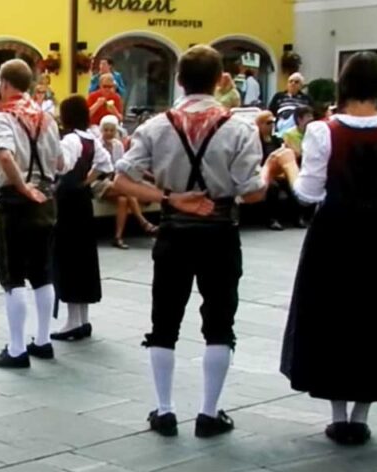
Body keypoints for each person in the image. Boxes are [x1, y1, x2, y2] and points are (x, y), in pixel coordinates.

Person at [112, 45, 268, 438]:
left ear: (179, 80)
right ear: (219, 81)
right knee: (219, 323)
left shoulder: (155, 126)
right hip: (220, 232)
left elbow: (121, 180)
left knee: (164, 322)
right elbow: (252, 194)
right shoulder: (239, 128)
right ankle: (208, 412)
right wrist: (269, 173)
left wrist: (169, 197)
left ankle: (164, 410)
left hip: (173, 231)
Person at [278, 52, 377, 446]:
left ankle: (338, 415)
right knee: (376, 317)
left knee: (332, 316)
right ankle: (361, 416)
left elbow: (308, 193)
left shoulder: (323, 131)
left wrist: (288, 164)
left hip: (335, 231)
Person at [0, 58, 63, 369]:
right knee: (43, 272)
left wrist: (22, 185)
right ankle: (43, 341)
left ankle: (17, 349)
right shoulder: (48, 117)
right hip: (47, 198)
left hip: (16, 200)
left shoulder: (3, 118)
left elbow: (4, 155)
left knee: (13, 275)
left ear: (4, 84)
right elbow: (59, 162)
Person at [49, 96, 112, 342]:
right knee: (83, 255)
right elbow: (105, 163)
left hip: (68, 202)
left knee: (68, 256)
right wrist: (88, 179)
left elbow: (61, 166)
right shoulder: (91, 138)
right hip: (83, 202)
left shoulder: (71, 139)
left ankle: (73, 321)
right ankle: (83, 319)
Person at [93, 115, 157, 249]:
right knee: (126, 190)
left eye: (112, 130)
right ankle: (143, 222)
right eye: (106, 130)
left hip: (114, 180)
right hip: (98, 182)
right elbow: (96, 169)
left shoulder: (118, 145)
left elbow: (120, 166)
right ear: (101, 130)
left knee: (123, 199)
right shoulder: (96, 145)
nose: (109, 133)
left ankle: (118, 237)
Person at [256, 111, 295, 231]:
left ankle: (297, 217)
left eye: (273, 123)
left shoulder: (276, 139)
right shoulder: (255, 140)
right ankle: (272, 219)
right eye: (268, 123)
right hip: (262, 171)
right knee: (273, 187)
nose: (271, 125)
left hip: (277, 171)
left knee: (291, 184)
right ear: (259, 124)